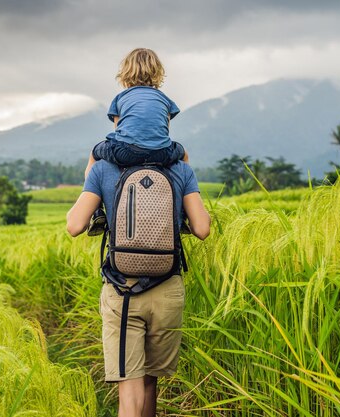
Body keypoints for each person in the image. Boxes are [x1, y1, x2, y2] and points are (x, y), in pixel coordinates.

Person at [66, 160, 210, 417]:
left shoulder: (102, 167)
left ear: (117, 120)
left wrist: (91, 163)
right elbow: (202, 228)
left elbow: (75, 225)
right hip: (167, 291)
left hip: (124, 293)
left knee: (129, 394)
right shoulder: (181, 168)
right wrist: (185, 162)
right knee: (149, 382)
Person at [84, 48, 190, 235]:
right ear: (157, 72)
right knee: (184, 156)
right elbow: (163, 128)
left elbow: (118, 132)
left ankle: (97, 211)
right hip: (161, 153)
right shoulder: (164, 99)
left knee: (94, 155)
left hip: (126, 152)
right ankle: (183, 214)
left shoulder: (121, 98)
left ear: (125, 73)